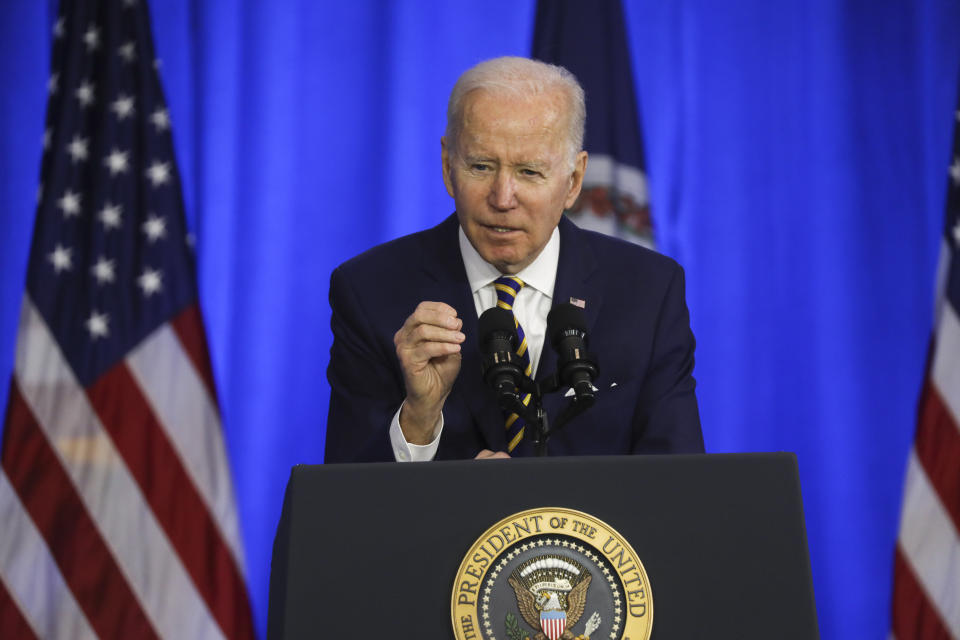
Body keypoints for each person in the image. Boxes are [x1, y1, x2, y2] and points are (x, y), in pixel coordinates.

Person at [324, 56, 703, 463]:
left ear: (573, 181)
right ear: (448, 166)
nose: (503, 198)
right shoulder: (372, 290)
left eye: (529, 172)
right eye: (481, 166)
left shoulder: (648, 291)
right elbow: (344, 503)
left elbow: (678, 488)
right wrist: (419, 418)